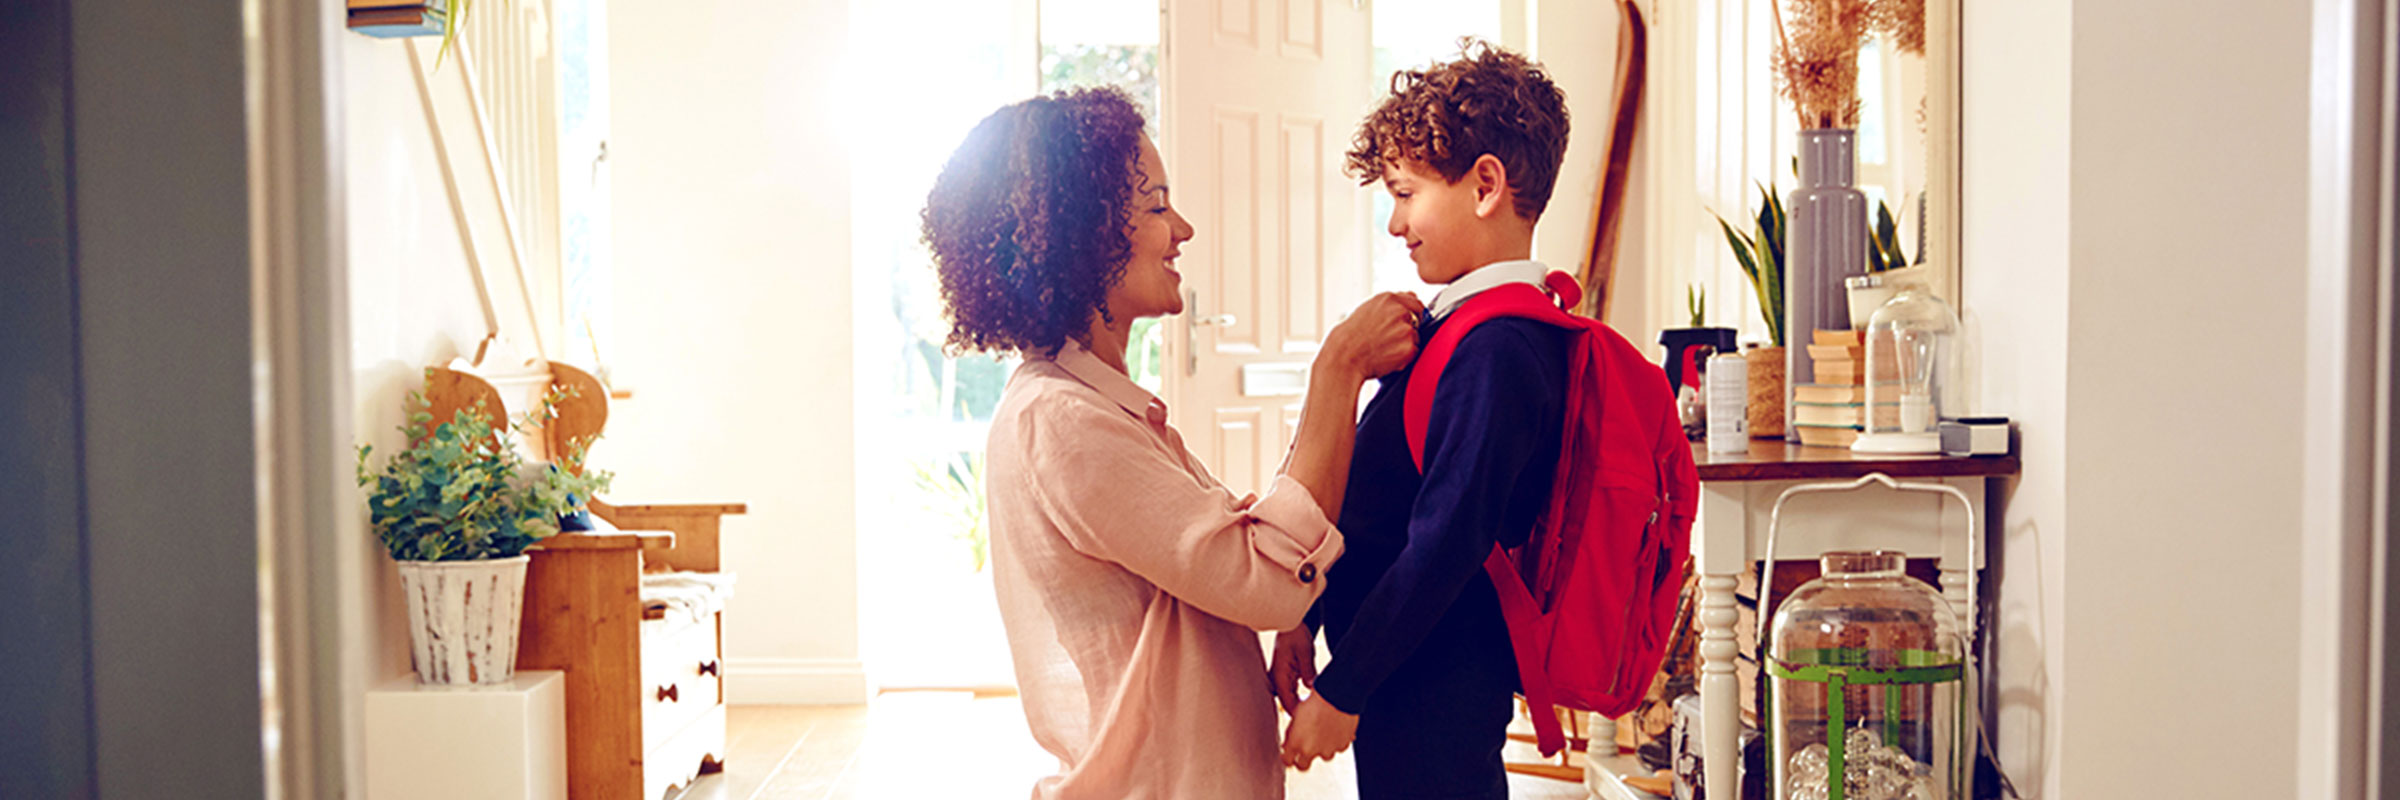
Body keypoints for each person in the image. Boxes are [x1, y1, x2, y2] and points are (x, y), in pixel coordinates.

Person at [921, 85, 1425, 799]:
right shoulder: (1064, 424)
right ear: (1082, 236)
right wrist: (1338, 369)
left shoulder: (1098, 407)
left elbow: (1232, 560)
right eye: (1156, 206)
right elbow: (1268, 578)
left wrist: (1292, 618)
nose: (1182, 228)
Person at [1274, 42, 1576, 800]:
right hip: (1405, 668)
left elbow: (1448, 540)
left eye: (1405, 194)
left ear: (1484, 186)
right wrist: (1300, 617)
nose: (1394, 224)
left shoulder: (1500, 348)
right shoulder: (1461, 331)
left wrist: (1345, 689)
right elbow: (1379, 493)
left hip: (1436, 673)